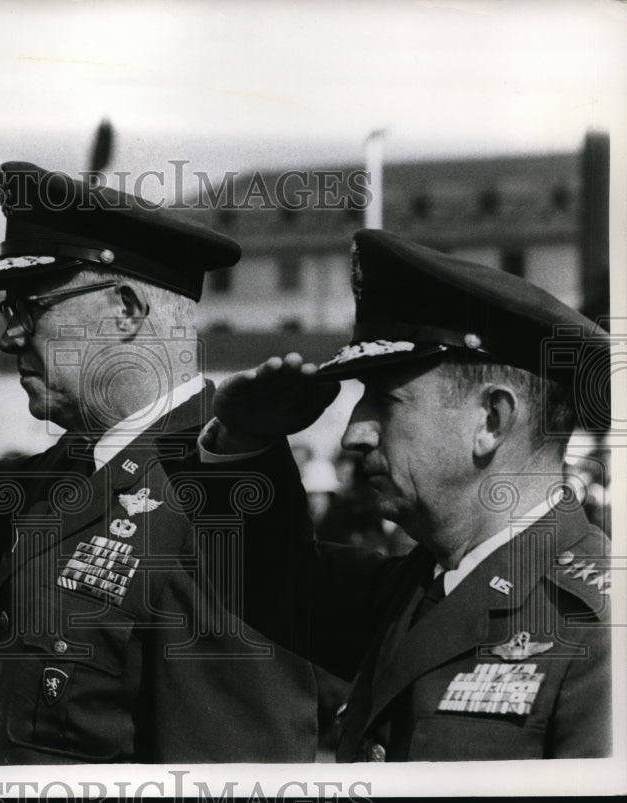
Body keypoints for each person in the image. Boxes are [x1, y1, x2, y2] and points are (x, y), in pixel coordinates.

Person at [0, 161, 319, 764]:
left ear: (126, 310)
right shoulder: (75, 469)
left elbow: (232, 760)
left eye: (28, 308)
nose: (10, 337)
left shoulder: (224, 487)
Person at [206, 229, 612, 761]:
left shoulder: (600, 627)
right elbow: (260, 574)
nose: (354, 434)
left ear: (491, 420)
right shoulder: (418, 588)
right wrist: (244, 444)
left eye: (387, 400)